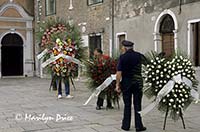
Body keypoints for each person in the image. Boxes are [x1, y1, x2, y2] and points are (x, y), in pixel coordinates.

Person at [115, 40, 146, 131]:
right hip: (138, 83)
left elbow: (119, 72)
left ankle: (126, 126)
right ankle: (138, 126)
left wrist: (117, 84)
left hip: (126, 83)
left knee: (127, 104)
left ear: (124, 48)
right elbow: (149, 64)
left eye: (122, 47)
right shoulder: (139, 55)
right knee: (137, 104)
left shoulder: (122, 57)